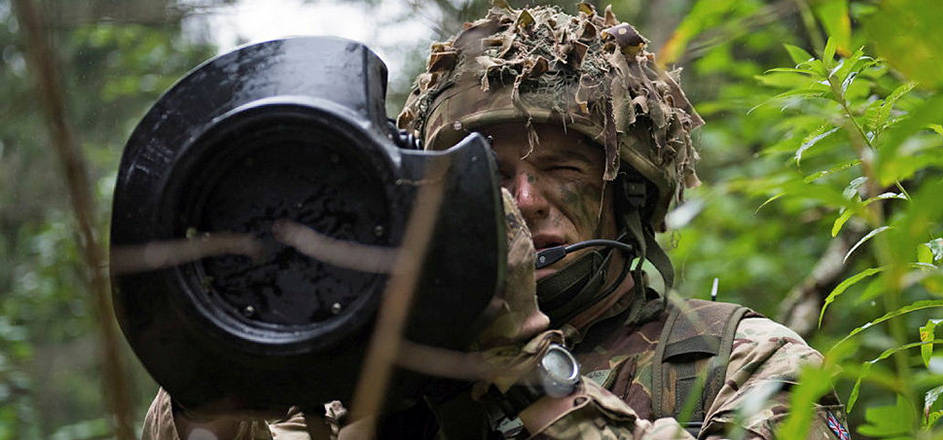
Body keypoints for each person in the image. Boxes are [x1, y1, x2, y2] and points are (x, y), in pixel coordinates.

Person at [143, 3, 849, 439]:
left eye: (564, 169)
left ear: (624, 195)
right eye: (487, 172)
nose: (523, 199)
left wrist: (527, 368)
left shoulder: (741, 359)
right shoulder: (351, 370)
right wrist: (229, 355)